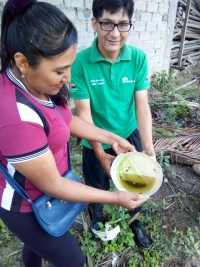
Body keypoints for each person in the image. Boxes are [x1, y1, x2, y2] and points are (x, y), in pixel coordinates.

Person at [0, 1, 149, 266]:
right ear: (23, 61)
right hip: (27, 204)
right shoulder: (15, 117)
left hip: (47, 191)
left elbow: (66, 121)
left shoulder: (36, 82)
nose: (68, 78)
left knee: (36, 246)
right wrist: (115, 197)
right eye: (60, 71)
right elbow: (54, 185)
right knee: (74, 260)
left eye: (68, 67)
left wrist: (111, 139)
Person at [70, 0, 156, 249]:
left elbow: (142, 105)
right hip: (94, 138)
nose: (115, 33)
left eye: (122, 24)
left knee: (136, 183)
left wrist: (148, 148)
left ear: (130, 24)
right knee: (97, 184)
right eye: (107, 23)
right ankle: (98, 216)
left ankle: (135, 220)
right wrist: (99, 151)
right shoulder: (80, 62)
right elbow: (83, 114)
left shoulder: (138, 58)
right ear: (94, 23)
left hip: (129, 137)